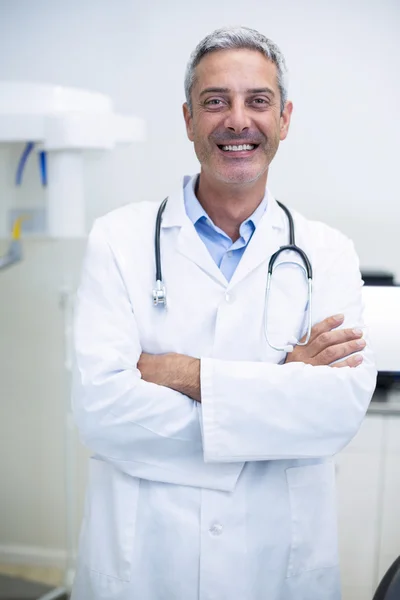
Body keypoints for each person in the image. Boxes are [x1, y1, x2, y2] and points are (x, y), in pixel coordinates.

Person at [70, 26, 376, 600]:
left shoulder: (328, 252)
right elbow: (100, 409)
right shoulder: (118, 240)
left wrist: (179, 372)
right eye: (216, 102)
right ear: (188, 120)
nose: (238, 120)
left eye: (257, 101)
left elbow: (335, 414)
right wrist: (280, 389)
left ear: (284, 119)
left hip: (276, 567)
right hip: (148, 566)